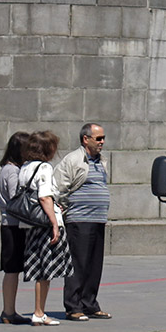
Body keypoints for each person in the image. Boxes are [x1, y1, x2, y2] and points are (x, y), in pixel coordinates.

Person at [54, 123, 111, 321]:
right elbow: (59, 186)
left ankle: (90, 304)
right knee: (78, 264)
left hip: (98, 219)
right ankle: (73, 306)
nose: (102, 142)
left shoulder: (101, 161)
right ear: (86, 139)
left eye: (103, 138)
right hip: (79, 220)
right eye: (98, 138)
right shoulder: (73, 160)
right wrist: (62, 208)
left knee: (95, 265)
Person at [20, 130, 70, 326]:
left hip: (30, 223)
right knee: (45, 270)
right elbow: (44, 197)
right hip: (44, 224)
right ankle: (39, 312)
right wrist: (55, 224)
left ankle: (39, 311)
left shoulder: (25, 167)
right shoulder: (45, 168)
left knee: (39, 268)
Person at [0, 131, 31, 324]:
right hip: (12, 225)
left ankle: (9, 310)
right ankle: (8, 311)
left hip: (11, 224)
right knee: (12, 269)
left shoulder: (8, 169)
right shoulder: (11, 171)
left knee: (13, 269)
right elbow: (15, 198)